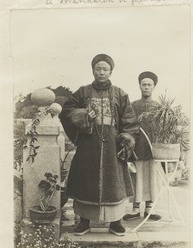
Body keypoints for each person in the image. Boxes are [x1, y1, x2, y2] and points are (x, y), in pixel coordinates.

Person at [60, 54, 138, 236]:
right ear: (93, 70)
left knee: (114, 182)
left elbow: (129, 119)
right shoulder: (83, 92)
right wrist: (82, 115)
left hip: (113, 146)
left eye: (105, 69)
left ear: (111, 71)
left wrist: (127, 136)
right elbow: (67, 111)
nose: (101, 72)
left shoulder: (120, 93)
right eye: (98, 68)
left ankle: (116, 222)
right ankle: (84, 222)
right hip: (88, 145)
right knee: (86, 181)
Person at [124, 71, 162, 221]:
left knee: (152, 177)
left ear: (154, 87)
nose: (146, 87)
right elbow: (128, 126)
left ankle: (149, 209)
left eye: (149, 85)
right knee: (137, 178)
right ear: (139, 86)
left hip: (153, 149)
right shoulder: (133, 105)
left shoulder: (159, 108)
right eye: (143, 84)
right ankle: (134, 209)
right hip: (137, 147)